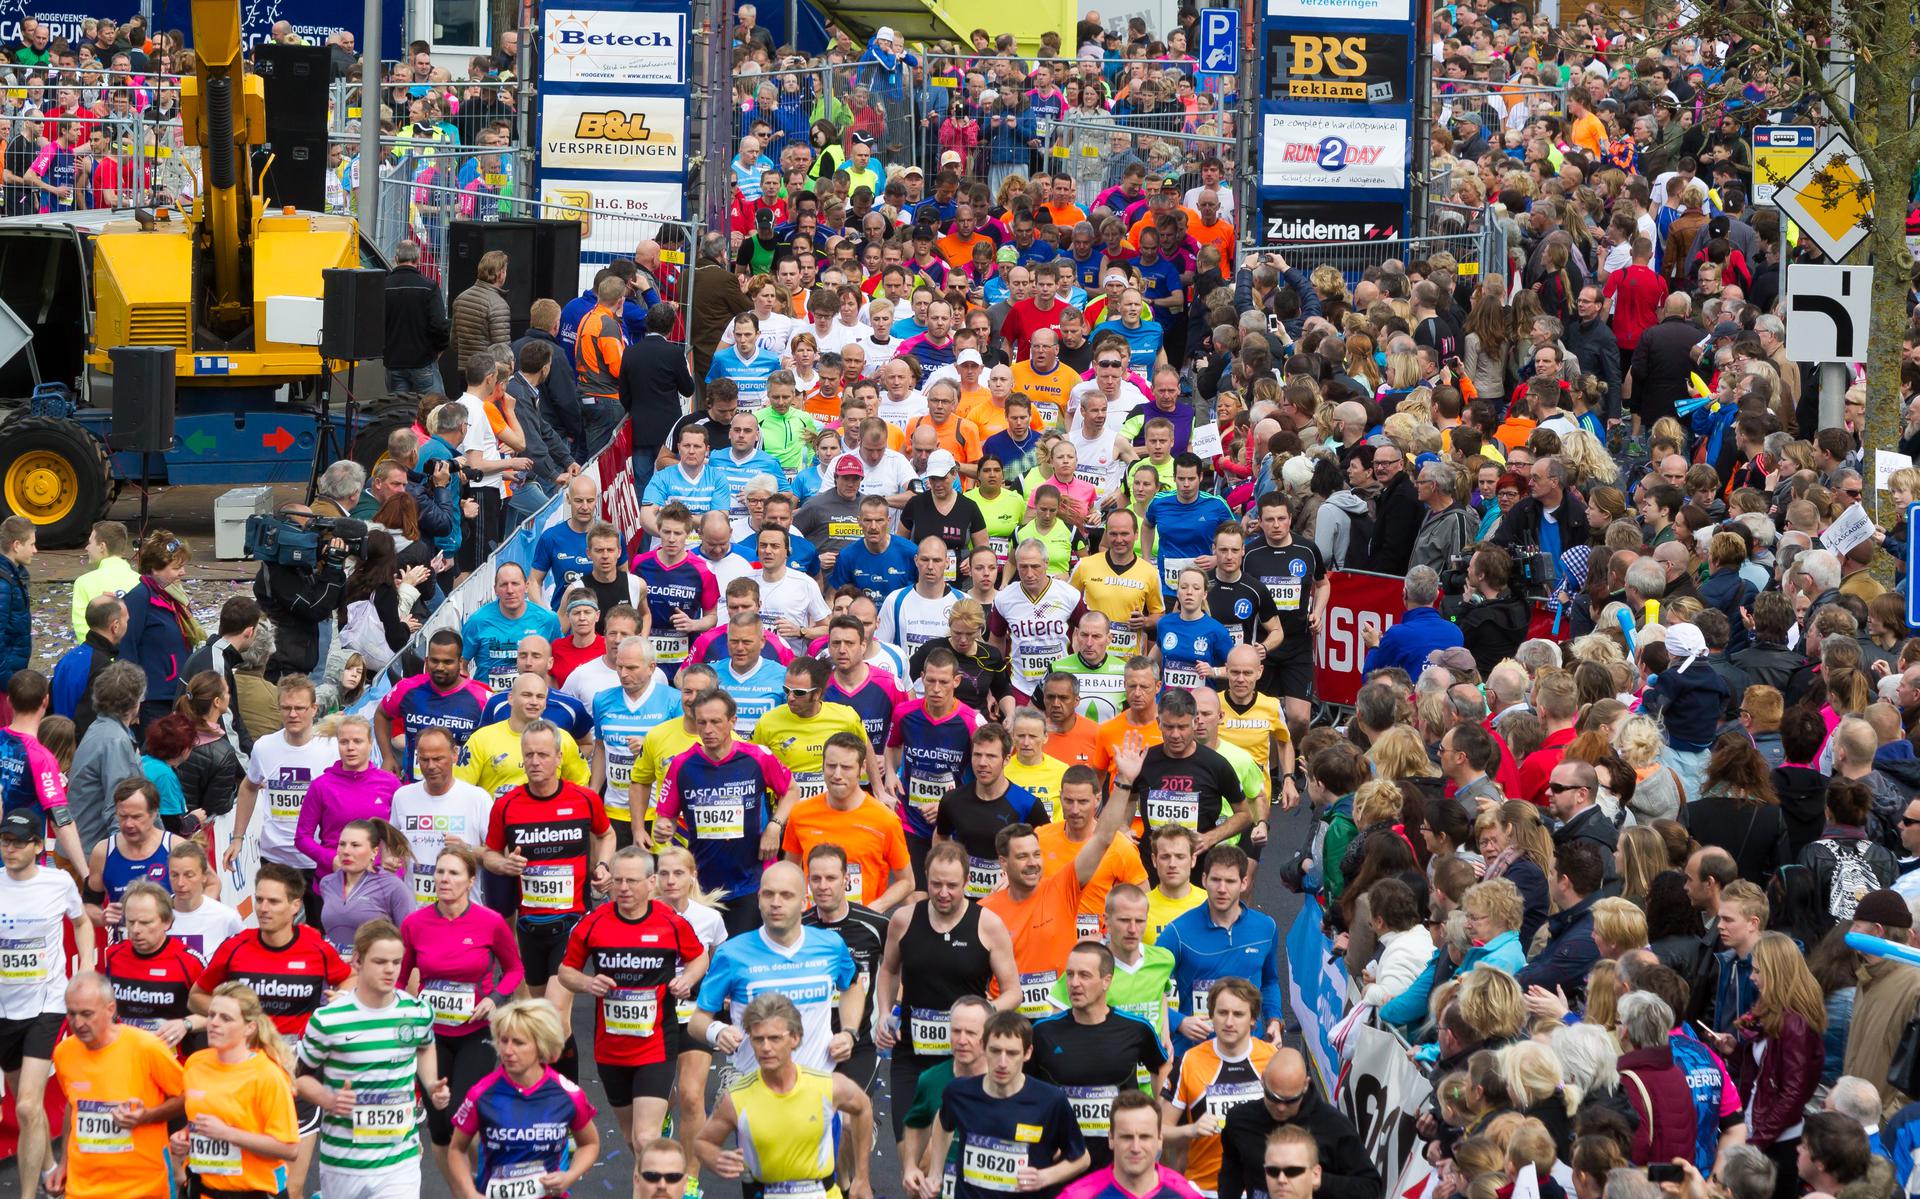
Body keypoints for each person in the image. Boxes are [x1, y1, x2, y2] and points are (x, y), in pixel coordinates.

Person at [192, 863, 351, 1195]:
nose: (263, 908)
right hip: (243, 1074)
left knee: (290, 1188)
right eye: (259, 899)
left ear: (295, 906)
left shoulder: (314, 946)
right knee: (239, 1176)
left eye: (274, 902)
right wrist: (237, 1018)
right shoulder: (237, 946)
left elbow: (347, 977)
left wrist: (344, 997)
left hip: (297, 1072)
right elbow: (197, 996)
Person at [557, 845, 708, 1154]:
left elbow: (699, 958)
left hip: (656, 1044)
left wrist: (687, 979)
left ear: (651, 882)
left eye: (632, 881)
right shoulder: (594, 922)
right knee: (630, 1138)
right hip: (610, 1048)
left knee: (645, 1138)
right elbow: (565, 972)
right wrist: (587, 982)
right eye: (618, 880)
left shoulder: (671, 922)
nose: (623, 888)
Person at [294, 919, 450, 1199]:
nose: (390, 969)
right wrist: (329, 1100)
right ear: (357, 961)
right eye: (380, 961)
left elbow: (425, 1046)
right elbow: (301, 1078)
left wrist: (430, 1084)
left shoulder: (417, 1012)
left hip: (399, 1159)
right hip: (343, 1162)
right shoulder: (328, 1020)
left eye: (396, 962)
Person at [400, 843, 523, 1185]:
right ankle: (462, 1190)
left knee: (462, 1113)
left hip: (476, 1032)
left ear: (471, 881)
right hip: (431, 1035)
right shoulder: (415, 924)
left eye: (454, 873)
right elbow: (399, 977)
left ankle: (491, 1181)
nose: (444, 879)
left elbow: (514, 970)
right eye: (440, 871)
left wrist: (496, 999)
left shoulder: (490, 922)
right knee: (439, 1126)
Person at [693, 992, 876, 1199]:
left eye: (775, 1038)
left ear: (795, 1039)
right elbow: (702, 1143)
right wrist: (715, 1157)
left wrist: (862, 1177)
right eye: (758, 1039)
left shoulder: (827, 1086)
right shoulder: (737, 1097)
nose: (766, 1048)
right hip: (762, 1191)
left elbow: (863, 1108)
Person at [0, 807, 92, 1198]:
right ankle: (51, 1169)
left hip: (46, 1002)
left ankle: (26, 1195)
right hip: (5, 1007)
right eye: (5, 841)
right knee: (29, 1111)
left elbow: (82, 921)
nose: (10, 849)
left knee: (24, 1107)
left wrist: (86, 965)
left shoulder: (57, 883)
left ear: (39, 846)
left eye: (19, 843)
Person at [905, 1008, 1090, 1199]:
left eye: (1012, 1053)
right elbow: (943, 1123)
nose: (1002, 1062)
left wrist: (1045, 1176)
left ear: (1027, 1053)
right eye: (995, 1051)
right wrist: (936, 1173)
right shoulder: (958, 1092)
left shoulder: (1050, 1100)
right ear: (984, 1047)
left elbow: (1082, 1159)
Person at [47, 970, 186, 1199]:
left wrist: (147, 1116)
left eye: (86, 1014)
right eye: (71, 1014)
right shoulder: (64, 1052)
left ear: (110, 1009)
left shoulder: (146, 1047)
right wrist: (64, 1163)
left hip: (143, 1188)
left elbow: (186, 1097)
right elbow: (75, 1106)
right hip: (83, 1189)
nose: (77, 1023)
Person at [1030, 940, 1170, 1166]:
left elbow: (1162, 1065)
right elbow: (1026, 1089)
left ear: (1107, 981)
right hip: (1061, 1160)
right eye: (1070, 974)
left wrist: (1159, 1125)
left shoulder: (1136, 1028)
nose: (1074, 983)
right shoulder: (1044, 1031)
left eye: (1084, 975)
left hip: (1118, 1161)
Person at [447, 999, 602, 1199]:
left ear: (541, 1045)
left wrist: (570, 1175)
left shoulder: (568, 1094)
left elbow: (590, 1144)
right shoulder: (482, 1093)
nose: (508, 1051)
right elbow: (457, 1149)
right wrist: (469, 1193)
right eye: (503, 1040)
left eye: (519, 1042)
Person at [170, 981, 301, 1197]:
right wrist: (184, 1137)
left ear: (249, 1028)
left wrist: (227, 1134)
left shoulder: (267, 1075)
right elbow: (204, 1117)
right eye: (211, 1015)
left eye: (226, 1018)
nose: (214, 1023)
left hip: (253, 1192)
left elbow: (289, 1148)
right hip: (201, 1190)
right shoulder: (195, 1063)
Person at [1161, 845, 1285, 1053]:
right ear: (1203, 880)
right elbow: (1149, 987)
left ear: (1244, 883)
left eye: (1230, 881)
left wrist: (1274, 1019)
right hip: (1196, 1051)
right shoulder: (1177, 931)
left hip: (1249, 1049)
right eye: (1216, 880)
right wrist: (1178, 1022)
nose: (1221, 889)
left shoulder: (1265, 927)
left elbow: (1270, 981)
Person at [1216, 1049, 1378, 1199]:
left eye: (1290, 1100)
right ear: (1263, 1080)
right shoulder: (1240, 1120)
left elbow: (1371, 1187)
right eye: (1274, 1098)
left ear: (1305, 1085)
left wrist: (1318, 1181)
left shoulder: (1334, 1126)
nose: (1281, 1107)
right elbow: (1231, 1171)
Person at [781, 731, 914, 909]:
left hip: (861, 926)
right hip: (813, 925)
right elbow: (790, 870)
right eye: (831, 766)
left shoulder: (885, 820)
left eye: (846, 767)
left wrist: (874, 909)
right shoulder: (800, 813)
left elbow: (907, 881)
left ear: (862, 768)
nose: (837, 774)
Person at [800, 842, 892, 1090]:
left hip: (860, 1041)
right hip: (809, 1041)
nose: (822, 886)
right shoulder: (798, 928)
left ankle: (864, 1126)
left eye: (831, 878)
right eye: (816, 878)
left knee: (850, 1118)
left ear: (845, 880)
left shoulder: (876, 925)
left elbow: (898, 971)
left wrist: (888, 1014)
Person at [314, 818, 415, 959]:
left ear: (374, 852)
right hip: (333, 973)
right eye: (342, 844)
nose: (346, 851)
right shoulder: (327, 883)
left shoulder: (393, 886)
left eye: (355, 845)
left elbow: (409, 941)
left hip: (373, 975)